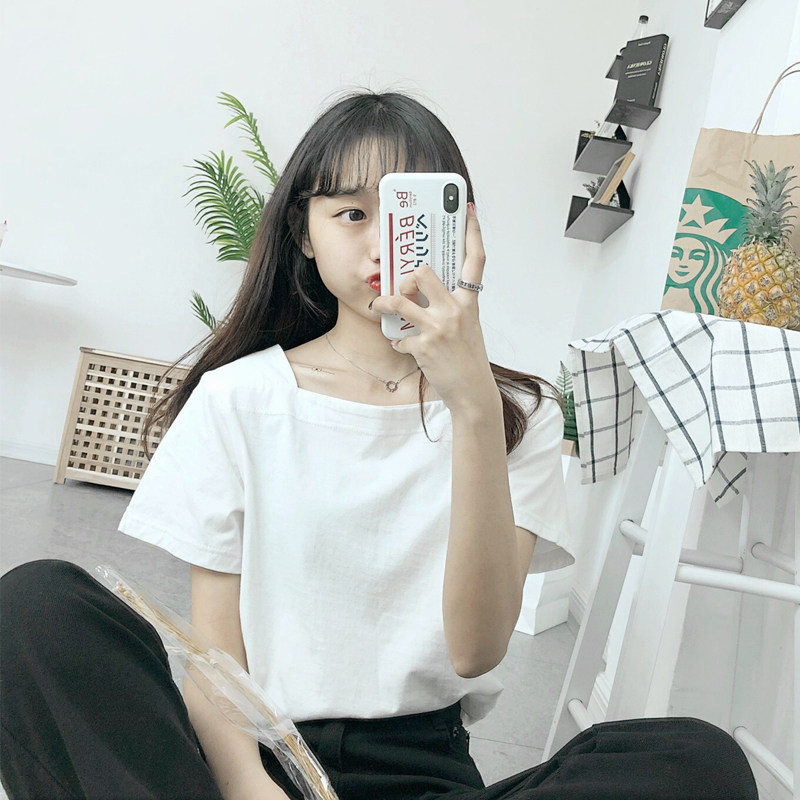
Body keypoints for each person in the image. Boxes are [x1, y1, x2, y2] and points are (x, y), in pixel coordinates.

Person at [0, 91, 757, 800]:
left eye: (406, 214)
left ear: (459, 231)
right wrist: (249, 788)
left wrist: (471, 401)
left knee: (695, 761)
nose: (381, 243)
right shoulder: (241, 399)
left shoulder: (518, 416)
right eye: (353, 213)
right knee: (35, 607)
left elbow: (476, 649)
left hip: (425, 770)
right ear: (304, 232)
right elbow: (217, 654)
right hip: (265, 754)